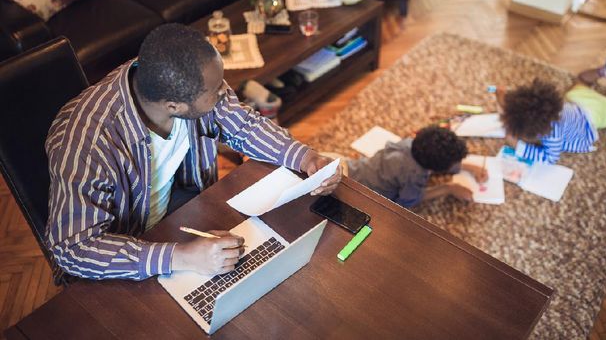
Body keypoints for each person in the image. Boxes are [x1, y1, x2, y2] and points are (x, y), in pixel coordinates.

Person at [45, 24, 342, 281]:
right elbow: (73, 249)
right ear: (173, 106)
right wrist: (183, 257)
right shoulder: (86, 140)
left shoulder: (182, 77)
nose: (225, 93)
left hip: (182, 213)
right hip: (129, 250)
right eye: (215, 93)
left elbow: (244, 126)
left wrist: (305, 157)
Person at [496, 44, 606, 165]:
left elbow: (549, 158)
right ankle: (604, 71)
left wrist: (517, 145)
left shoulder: (552, 135)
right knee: (582, 79)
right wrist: (500, 97)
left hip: (595, 113)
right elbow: (513, 107)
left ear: (538, 134)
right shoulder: (541, 107)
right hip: (576, 98)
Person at [346, 126, 487, 208]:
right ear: (435, 169)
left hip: (353, 168)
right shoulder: (414, 175)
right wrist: (448, 188)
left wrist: (468, 167)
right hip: (360, 195)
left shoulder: (409, 143)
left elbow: (435, 156)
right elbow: (408, 201)